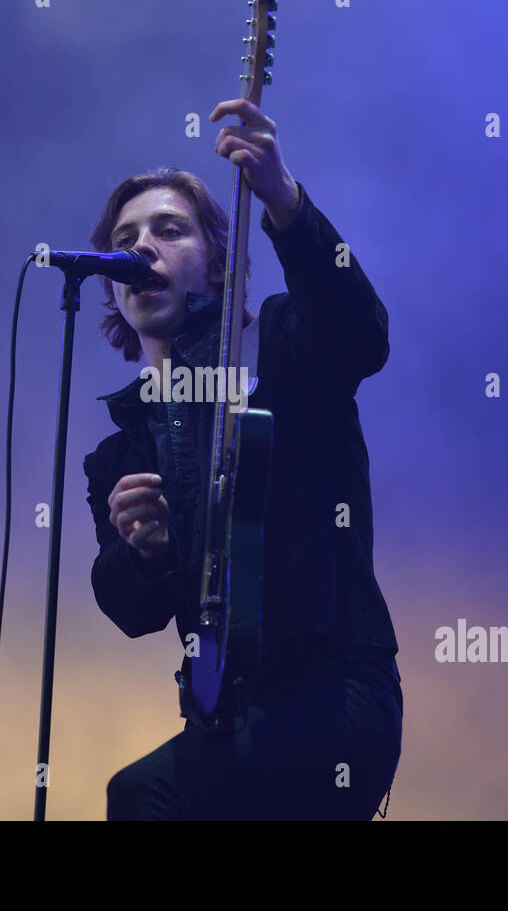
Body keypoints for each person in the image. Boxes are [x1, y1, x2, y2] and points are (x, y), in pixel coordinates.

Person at [82, 98, 402, 820]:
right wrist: (145, 555)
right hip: (227, 714)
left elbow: (363, 334)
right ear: (109, 278)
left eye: (169, 230)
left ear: (218, 261)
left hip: (334, 691)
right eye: (127, 237)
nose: (144, 247)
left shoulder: (284, 343)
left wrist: (286, 201)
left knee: (146, 795)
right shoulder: (120, 449)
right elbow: (129, 609)